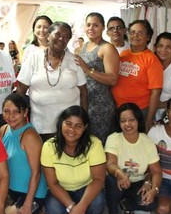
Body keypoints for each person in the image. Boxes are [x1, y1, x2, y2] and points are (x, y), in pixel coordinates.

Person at [41, 105, 106, 214]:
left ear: (85, 128)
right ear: (61, 123)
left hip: (86, 188)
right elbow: (52, 184)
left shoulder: (94, 144)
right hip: (61, 189)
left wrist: (80, 207)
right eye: (68, 124)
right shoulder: (48, 146)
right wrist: (72, 207)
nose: (71, 130)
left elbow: (99, 179)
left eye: (78, 126)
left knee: (98, 202)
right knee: (53, 208)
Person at [17, 22, 88, 141]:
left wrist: (83, 121)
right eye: (58, 34)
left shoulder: (75, 61)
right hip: (40, 126)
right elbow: (20, 91)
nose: (61, 38)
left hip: (69, 129)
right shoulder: (34, 57)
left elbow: (84, 93)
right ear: (48, 35)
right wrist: (21, 120)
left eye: (66, 36)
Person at [104, 103, 162, 214]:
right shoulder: (113, 138)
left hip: (137, 182)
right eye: (123, 121)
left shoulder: (147, 141)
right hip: (118, 181)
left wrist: (154, 189)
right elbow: (110, 164)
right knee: (112, 181)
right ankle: (113, 213)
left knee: (150, 204)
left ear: (138, 120)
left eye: (131, 120)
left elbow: (156, 171)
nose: (127, 124)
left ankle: (127, 203)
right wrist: (119, 173)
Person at [0, 93, 48, 214]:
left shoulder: (30, 136)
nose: (10, 116)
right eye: (6, 111)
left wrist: (28, 203)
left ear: (25, 112)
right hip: (10, 188)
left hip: (31, 192)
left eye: (16, 112)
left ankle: (40, 206)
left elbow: (36, 173)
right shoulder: (3, 130)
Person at [75, 12, 119, 143]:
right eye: (88, 25)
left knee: (98, 145)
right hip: (85, 103)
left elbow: (113, 79)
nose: (91, 28)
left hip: (101, 106)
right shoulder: (84, 46)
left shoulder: (107, 48)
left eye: (95, 25)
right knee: (85, 143)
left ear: (103, 27)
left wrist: (88, 70)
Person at [113, 20, 163, 132]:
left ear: (148, 37)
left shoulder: (151, 59)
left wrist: (149, 120)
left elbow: (156, 92)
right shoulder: (124, 54)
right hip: (119, 108)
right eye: (133, 32)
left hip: (139, 111)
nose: (135, 35)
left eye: (140, 33)